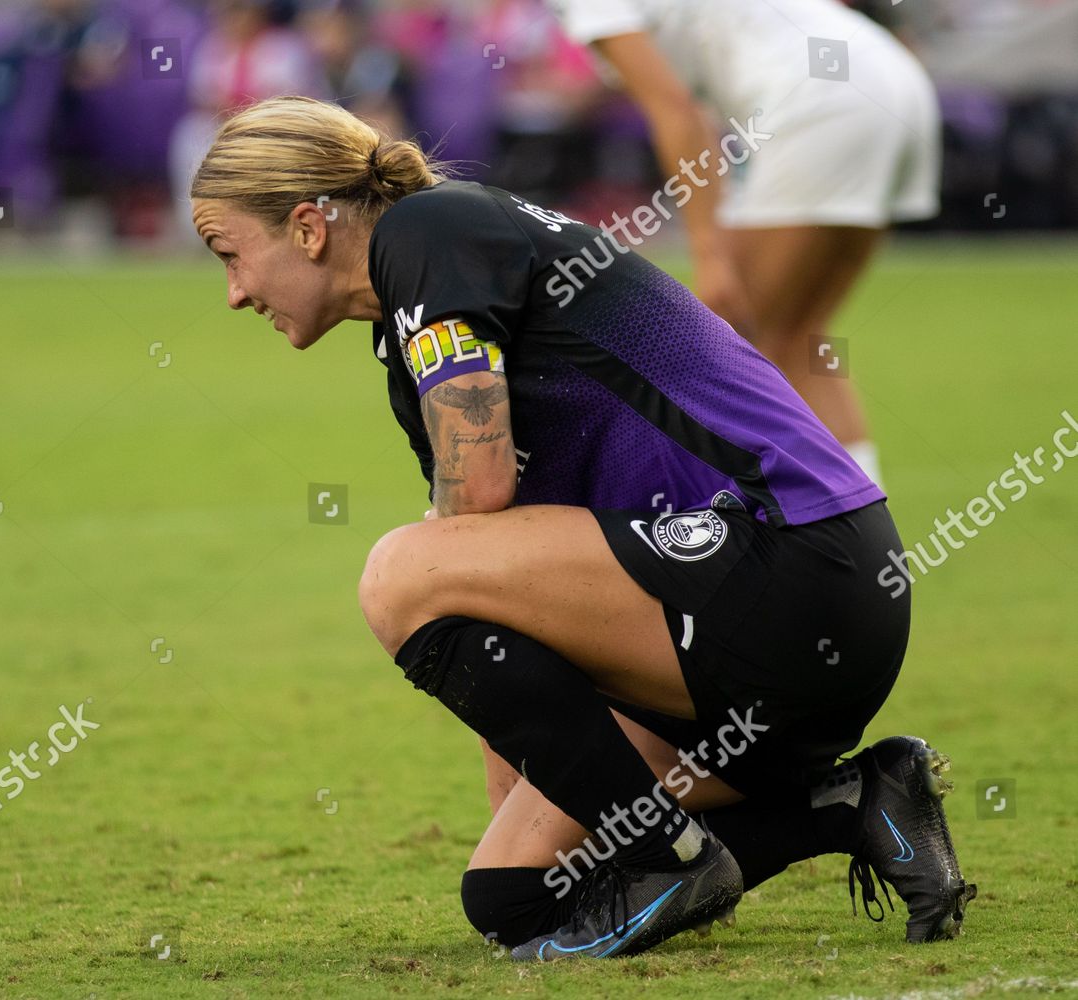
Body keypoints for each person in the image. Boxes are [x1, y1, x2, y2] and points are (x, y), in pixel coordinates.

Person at [189, 96, 973, 960]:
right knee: (518, 897)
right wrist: (531, 783)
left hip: (795, 563)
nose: (232, 294)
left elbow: (476, 498)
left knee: (396, 572)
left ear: (306, 226)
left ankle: (670, 858)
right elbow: (497, 579)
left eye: (229, 254)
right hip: (749, 633)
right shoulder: (406, 329)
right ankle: (858, 800)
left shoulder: (427, 231)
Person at [552, 0, 943, 487]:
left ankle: (777, 537)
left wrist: (710, 254)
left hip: (820, 99)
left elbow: (675, 111)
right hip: (893, 82)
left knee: (728, 350)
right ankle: (871, 537)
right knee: (800, 342)